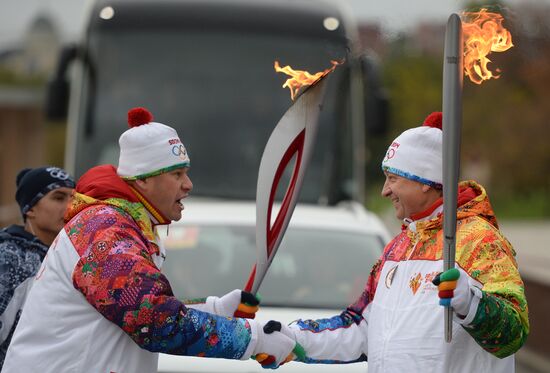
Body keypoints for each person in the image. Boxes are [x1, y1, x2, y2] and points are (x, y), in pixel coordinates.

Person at [1, 107, 295, 373]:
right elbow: (152, 321)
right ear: (142, 180)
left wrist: (215, 310)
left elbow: (132, 306)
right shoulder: (104, 231)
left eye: (186, 173)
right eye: (177, 174)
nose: (188, 184)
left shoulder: (130, 226)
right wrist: (252, 339)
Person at [268, 112, 529, 372]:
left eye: (393, 178)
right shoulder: (399, 247)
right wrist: (289, 338)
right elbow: (359, 327)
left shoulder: (480, 241)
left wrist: (471, 304)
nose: (384, 190)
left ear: (426, 182)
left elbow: (513, 334)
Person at [0, 166, 75, 367]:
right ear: (30, 208)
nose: (70, 206)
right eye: (59, 198)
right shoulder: (9, 257)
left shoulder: (73, 258)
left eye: (74, 198)